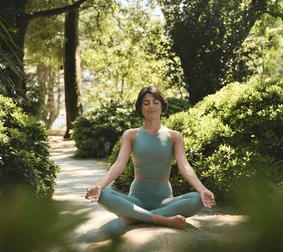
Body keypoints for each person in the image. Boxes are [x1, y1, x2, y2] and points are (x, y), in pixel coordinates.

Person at [85, 86, 216, 236]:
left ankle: (134, 218)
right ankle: (160, 219)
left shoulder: (174, 136)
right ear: (140, 108)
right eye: (146, 103)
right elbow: (119, 164)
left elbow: (184, 166)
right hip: (136, 200)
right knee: (104, 194)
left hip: (165, 201)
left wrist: (202, 189)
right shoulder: (131, 135)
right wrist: (99, 186)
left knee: (196, 199)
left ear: (162, 105)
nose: (151, 106)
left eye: (155, 102)